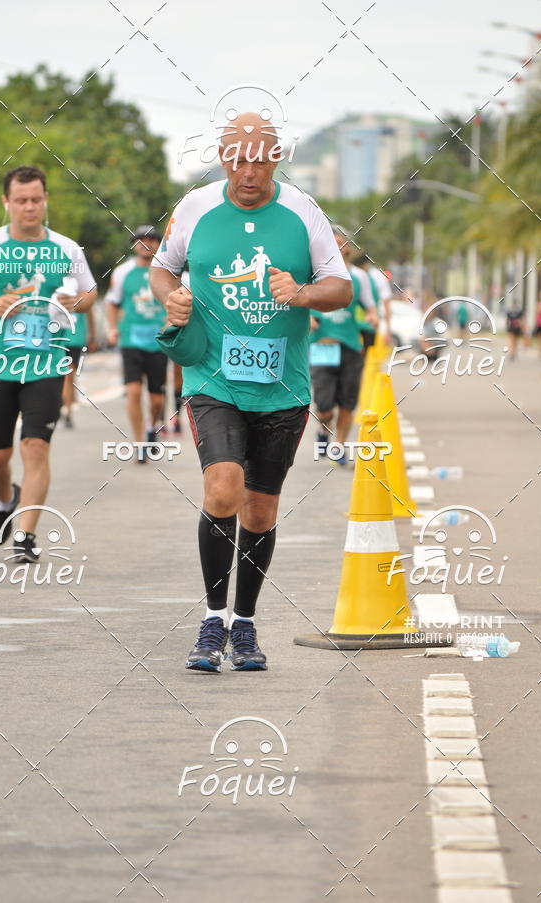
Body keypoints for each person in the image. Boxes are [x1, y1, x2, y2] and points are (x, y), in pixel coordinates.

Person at [150, 112, 352, 673]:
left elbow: (341, 288)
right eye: (237, 159)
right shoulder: (194, 207)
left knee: (260, 511)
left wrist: (303, 293)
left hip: (282, 386)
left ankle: (244, 624)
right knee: (223, 491)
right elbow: (162, 269)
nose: (247, 171)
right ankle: (212, 621)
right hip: (212, 378)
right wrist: (171, 298)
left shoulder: (303, 212)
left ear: (276, 158)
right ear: (222, 157)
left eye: (259, 159)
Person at [0, 164, 96, 561]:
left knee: (35, 446)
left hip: (47, 364)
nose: (29, 207)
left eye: (35, 200)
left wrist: (76, 303)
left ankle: (25, 536)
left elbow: (90, 293)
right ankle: (5, 498)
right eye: (21, 200)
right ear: (6, 202)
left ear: (46, 201)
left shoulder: (67, 249)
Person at [311, 227, 376, 467]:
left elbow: (370, 305)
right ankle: (323, 429)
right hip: (323, 346)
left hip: (350, 345)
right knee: (325, 406)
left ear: (348, 248)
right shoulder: (314, 273)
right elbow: (300, 300)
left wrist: (373, 316)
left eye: (341, 243)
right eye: (333, 243)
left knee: (347, 402)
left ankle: (338, 446)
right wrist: (308, 317)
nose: (338, 248)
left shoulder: (359, 277)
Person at [106, 227, 167, 459]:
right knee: (133, 390)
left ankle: (152, 425)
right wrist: (112, 328)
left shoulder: (167, 270)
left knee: (157, 399)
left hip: (158, 342)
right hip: (131, 339)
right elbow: (112, 302)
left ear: (159, 244)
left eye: (151, 240)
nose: (146, 244)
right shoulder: (123, 272)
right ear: (134, 245)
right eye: (141, 240)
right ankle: (139, 441)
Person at [61, 306, 97, 428]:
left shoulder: (82, 297)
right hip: (57, 339)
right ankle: (66, 403)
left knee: (69, 375)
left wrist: (92, 337)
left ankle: (67, 409)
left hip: (74, 339)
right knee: (66, 375)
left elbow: (90, 315)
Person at [533, 290, 541, 360]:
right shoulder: (538, 305)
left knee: (540, 339)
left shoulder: (538, 305)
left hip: (540, 324)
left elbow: (536, 315)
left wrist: (535, 323)